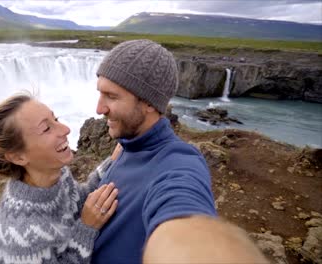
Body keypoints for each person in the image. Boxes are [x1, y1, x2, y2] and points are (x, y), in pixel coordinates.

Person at [92, 39, 267, 263]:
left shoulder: (179, 163)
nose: (99, 109)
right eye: (100, 93)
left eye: (112, 96)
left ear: (148, 103)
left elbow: (184, 217)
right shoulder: (128, 145)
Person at [0, 94, 118, 263]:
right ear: (18, 157)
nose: (65, 129)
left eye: (56, 119)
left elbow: (80, 202)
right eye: (46, 129)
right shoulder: (22, 235)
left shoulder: (57, 175)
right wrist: (87, 228)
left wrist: (112, 162)